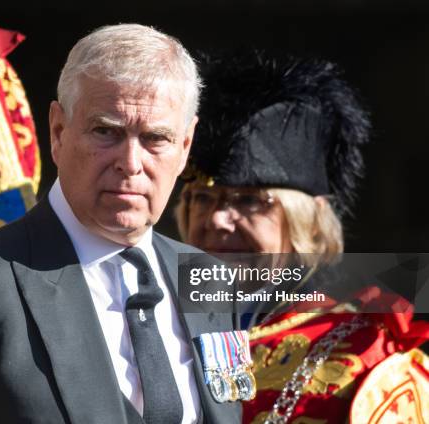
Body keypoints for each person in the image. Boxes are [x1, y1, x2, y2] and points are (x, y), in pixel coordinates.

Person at [0, 24, 243, 424]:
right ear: (58, 131)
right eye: (106, 131)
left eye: (155, 138)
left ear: (185, 147)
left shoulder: (208, 278)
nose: (131, 163)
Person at [175, 50, 429, 423]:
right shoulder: (146, 325)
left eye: (249, 201)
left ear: (307, 224)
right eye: (202, 198)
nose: (218, 219)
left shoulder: (371, 350)